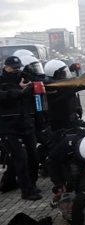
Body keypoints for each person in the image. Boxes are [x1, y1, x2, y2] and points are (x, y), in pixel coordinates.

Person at [0, 56, 42, 200]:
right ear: (5, 67)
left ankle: (31, 184)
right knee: (21, 158)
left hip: (26, 126)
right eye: (13, 68)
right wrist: (19, 91)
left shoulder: (24, 79)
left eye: (19, 68)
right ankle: (27, 191)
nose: (17, 71)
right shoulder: (2, 82)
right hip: (9, 128)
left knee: (34, 158)